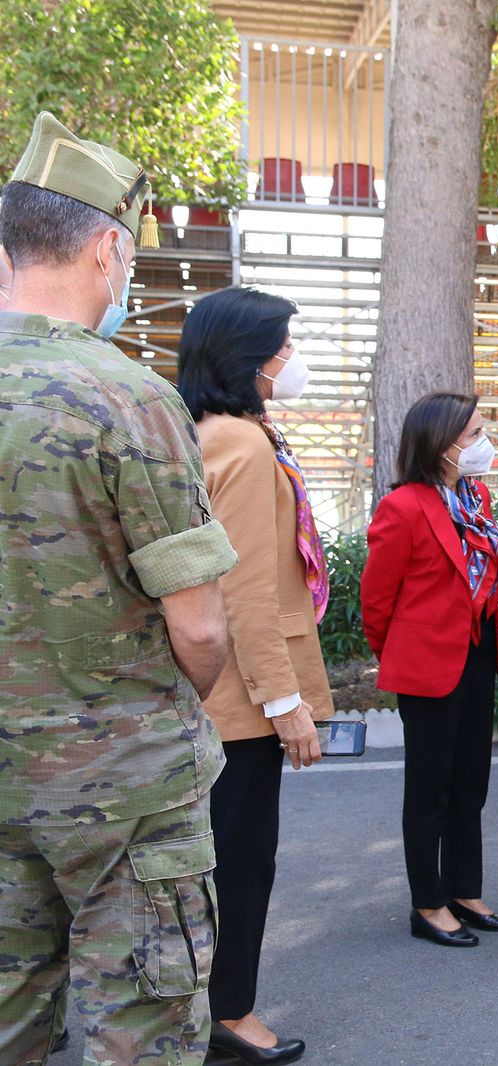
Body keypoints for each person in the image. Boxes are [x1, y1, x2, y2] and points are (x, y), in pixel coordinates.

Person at [0, 112, 238, 1064]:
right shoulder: (126, 396)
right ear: (107, 248)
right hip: (124, 787)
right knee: (136, 1023)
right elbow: (203, 629)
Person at [177, 287, 336, 1064]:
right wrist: (286, 702)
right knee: (241, 861)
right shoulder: (238, 442)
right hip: (241, 703)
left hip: (222, 700)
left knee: (217, 861)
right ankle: (230, 1014)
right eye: (281, 345)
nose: (290, 359)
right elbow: (240, 587)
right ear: (245, 356)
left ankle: (207, 1005)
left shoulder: (219, 431)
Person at [361, 393, 498, 948]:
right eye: (473, 434)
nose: (483, 442)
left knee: (470, 781)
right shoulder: (402, 507)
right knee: (429, 789)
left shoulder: (476, 496)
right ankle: (428, 903)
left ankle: (464, 890)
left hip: (476, 653)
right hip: (427, 665)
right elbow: (377, 603)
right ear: (441, 444)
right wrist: (403, 654)